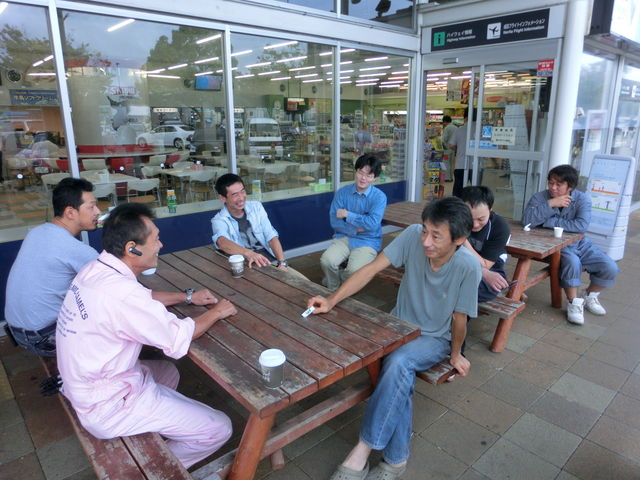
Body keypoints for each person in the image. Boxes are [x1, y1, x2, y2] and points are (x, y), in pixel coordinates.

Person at [308, 197, 481, 480]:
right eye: (425, 230)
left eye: (436, 236)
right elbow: (371, 268)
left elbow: (460, 318)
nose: (426, 241)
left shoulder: (468, 266)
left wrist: (456, 353)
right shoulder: (412, 235)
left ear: (459, 239)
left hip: (434, 338)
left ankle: (362, 450)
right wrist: (331, 300)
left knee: (399, 362)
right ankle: (396, 460)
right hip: (398, 327)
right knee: (400, 377)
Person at [56, 203, 236, 469]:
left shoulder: (96, 269)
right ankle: (155, 469)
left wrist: (187, 297)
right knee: (219, 428)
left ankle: (158, 424)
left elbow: (142, 298)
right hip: (106, 404)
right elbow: (178, 337)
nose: (161, 245)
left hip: (84, 383)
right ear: (133, 248)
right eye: (156, 239)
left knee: (168, 372)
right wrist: (217, 312)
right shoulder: (123, 295)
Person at [4, 178, 100, 356]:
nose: (98, 211)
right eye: (91, 206)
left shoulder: (37, 232)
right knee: (113, 320)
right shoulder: (76, 250)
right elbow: (116, 287)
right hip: (44, 338)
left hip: (18, 332)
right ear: (70, 212)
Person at [522, 164, 619, 325]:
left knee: (609, 267)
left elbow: (581, 226)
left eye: (559, 184)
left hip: (579, 243)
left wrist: (548, 221)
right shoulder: (540, 197)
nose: (553, 187)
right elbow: (527, 220)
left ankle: (590, 295)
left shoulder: (582, 200)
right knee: (572, 262)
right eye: (551, 183)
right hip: (553, 245)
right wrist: (551, 204)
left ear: (570, 187)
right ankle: (574, 302)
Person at [320, 154, 387, 291]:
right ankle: (333, 289)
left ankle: (341, 282)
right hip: (344, 236)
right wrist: (356, 229)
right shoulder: (342, 193)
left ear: (374, 178)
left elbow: (372, 224)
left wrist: (348, 215)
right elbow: (334, 221)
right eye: (361, 172)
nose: (363, 178)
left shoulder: (379, 197)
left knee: (354, 271)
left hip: (368, 240)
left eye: (369, 175)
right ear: (355, 171)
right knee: (326, 261)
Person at [212, 173, 290, 271]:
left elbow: (271, 236)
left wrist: (282, 263)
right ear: (222, 198)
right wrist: (248, 253)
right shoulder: (219, 220)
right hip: (245, 266)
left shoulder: (256, 207)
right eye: (235, 194)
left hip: (269, 261)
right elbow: (222, 242)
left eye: (242, 191)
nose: (241, 198)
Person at [460, 186, 511, 302]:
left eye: (481, 219)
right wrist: (483, 273)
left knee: (486, 288)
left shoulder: (500, 226)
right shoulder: (454, 219)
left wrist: (462, 240)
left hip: (491, 263)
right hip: (458, 261)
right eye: (469, 218)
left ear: (490, 210)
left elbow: (486, 265)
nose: (475, 224)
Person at [449, 109, 473, 198]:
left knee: (458, 190)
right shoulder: (482, 129)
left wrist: (459, 149)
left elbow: (451, 145)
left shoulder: (459, 130)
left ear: (465, 118)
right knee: (477, 189)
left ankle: (457, 205)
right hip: (476, 165)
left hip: (461, 164)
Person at [441, 115, 457, 182]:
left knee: (446, 163)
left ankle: (447, 178)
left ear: (445, 121)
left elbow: (444, 139)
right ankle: (451, 177)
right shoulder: (456, 127)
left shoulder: (447, 128)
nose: (443, 124)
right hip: (453, 148)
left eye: (443, 122)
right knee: (451, 163)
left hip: (446, 149)